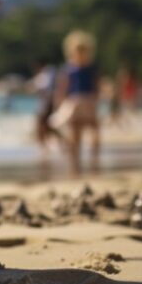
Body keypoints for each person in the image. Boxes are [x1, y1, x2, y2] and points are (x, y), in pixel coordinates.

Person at [50, 30, 100, 176]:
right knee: (75, 133)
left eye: (84, 50)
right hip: (74, 103)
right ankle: (74, 163)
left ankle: (93, 160)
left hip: (89, 101)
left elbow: (96, 84)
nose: (81, 53)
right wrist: (59, 103)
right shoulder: (69, 69)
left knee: (94, 131)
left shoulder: (91, 68)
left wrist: (97, 96)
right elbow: (63, 87)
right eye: (78, 50)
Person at [29, 58, 63, 160]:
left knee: (42, 126)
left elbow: (41, 89)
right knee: (47, 126)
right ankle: (54, 145)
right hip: (47, 104)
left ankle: (44, 148)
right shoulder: (50, 74)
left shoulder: (45, 75)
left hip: (47, 105)